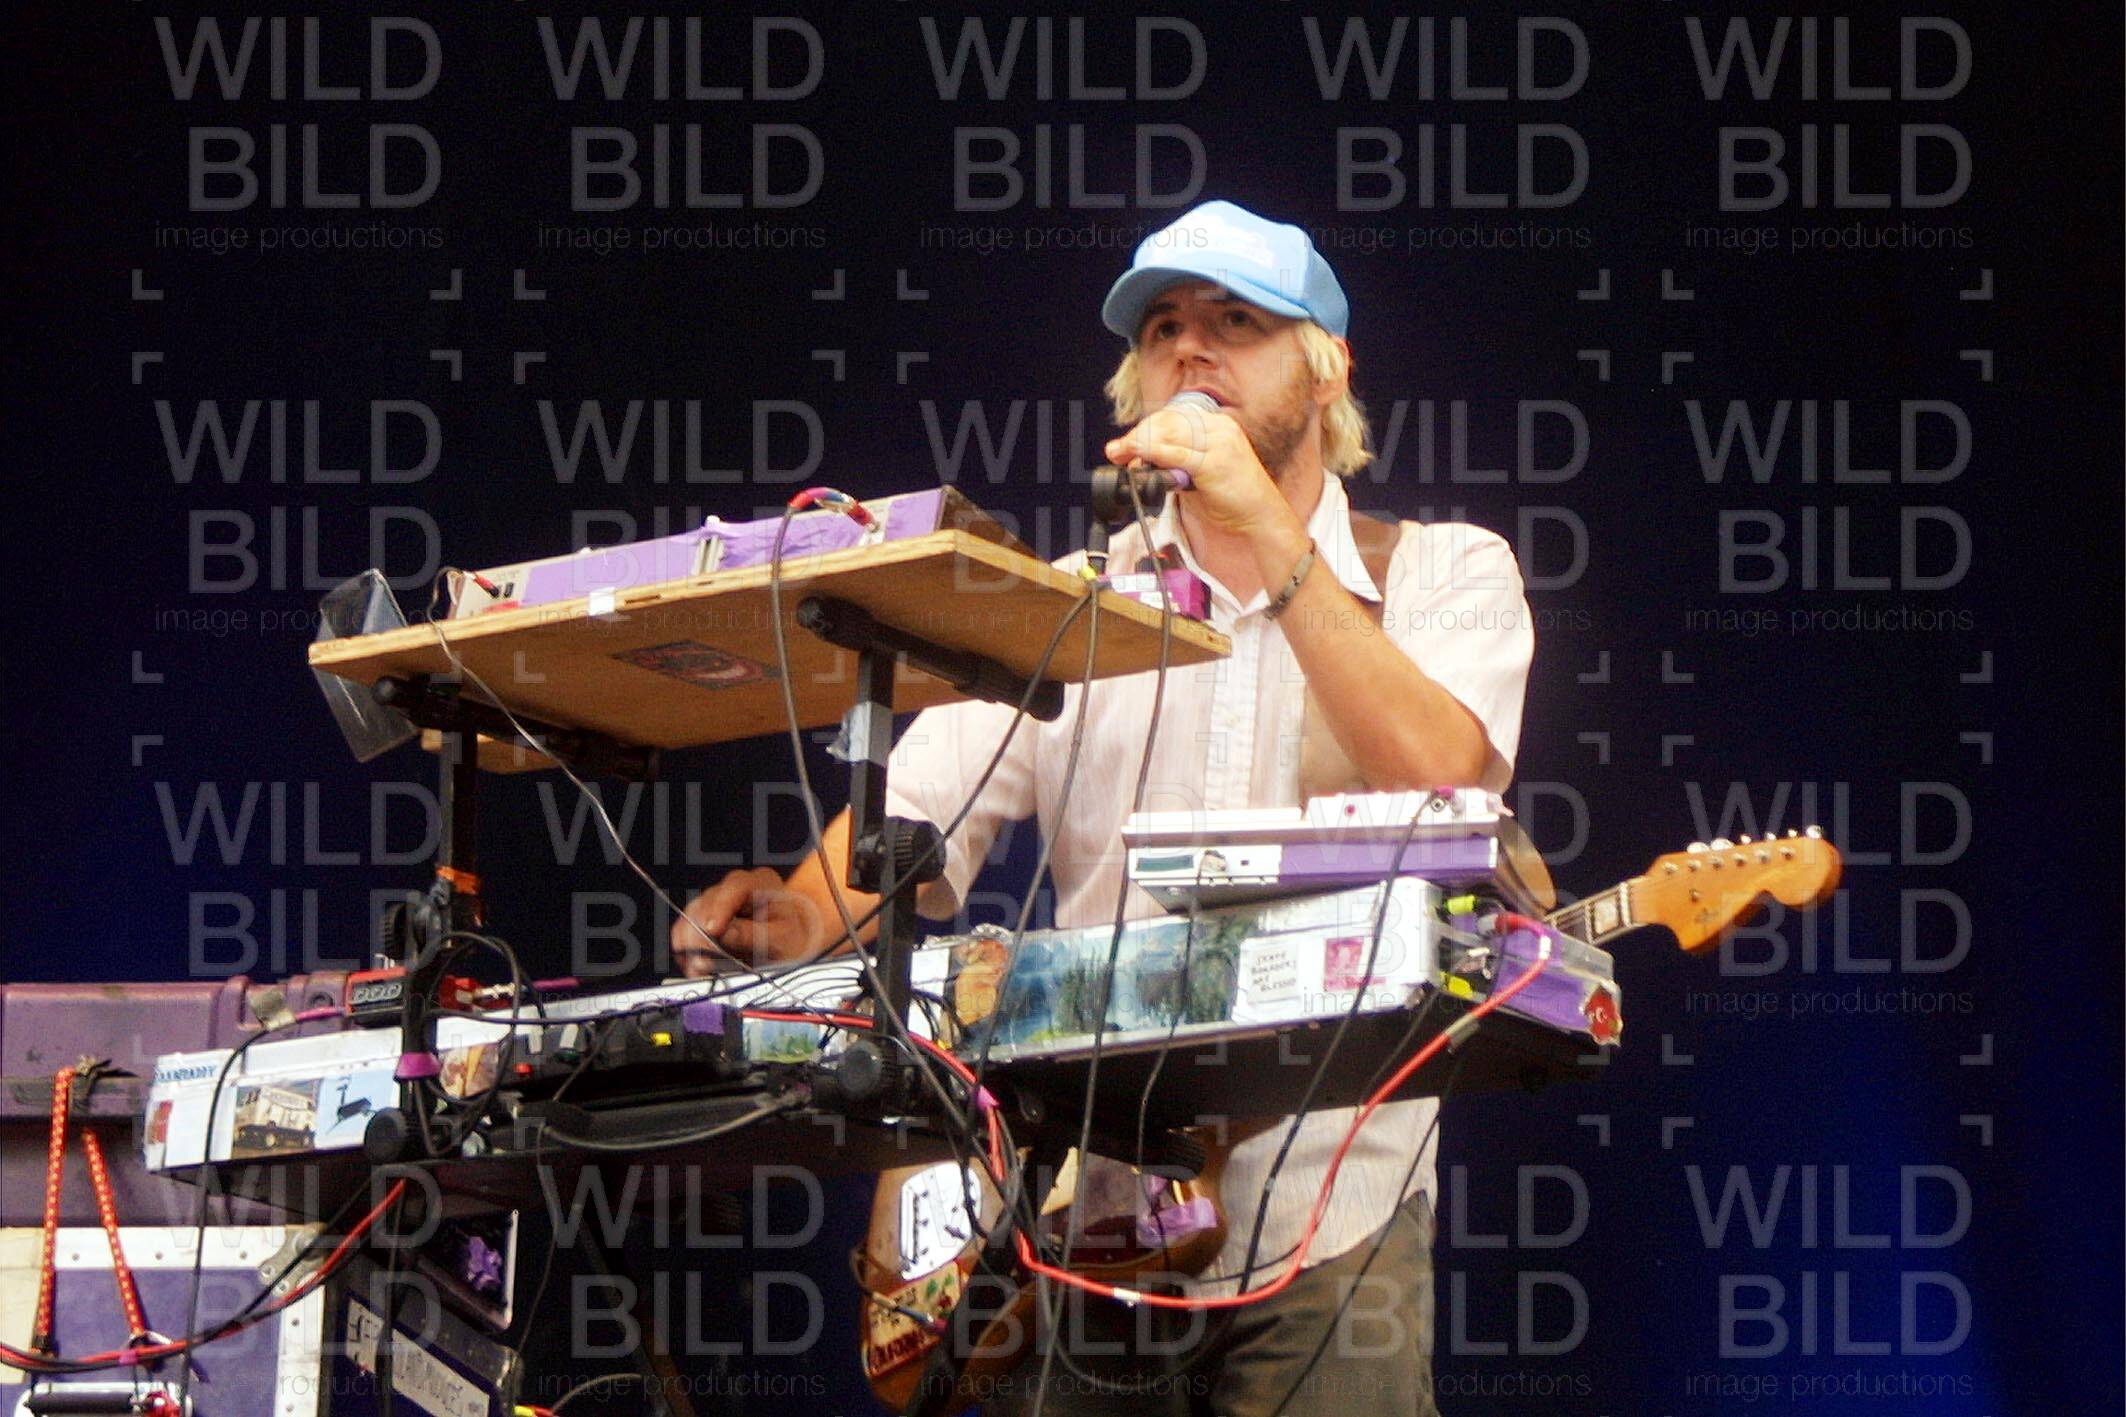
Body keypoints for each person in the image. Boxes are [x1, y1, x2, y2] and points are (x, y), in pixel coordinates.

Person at [675, 200, 1534, 1415]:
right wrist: (798, 919)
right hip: (1091, 1218)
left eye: (1235, 322)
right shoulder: (1068, 603)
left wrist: (1258, 518)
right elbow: (908, 827)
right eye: (1163, 327)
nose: (1190, 347)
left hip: (1331, 1220)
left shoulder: (1448, 569)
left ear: (1327, 366)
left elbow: (1442, 777)